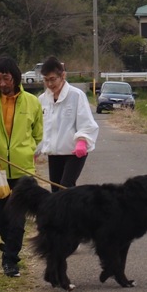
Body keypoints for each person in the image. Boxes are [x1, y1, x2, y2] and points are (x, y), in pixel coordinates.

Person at [0, 56, 44, 277]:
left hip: (23, 172)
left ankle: (10, 260)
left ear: (15, 77)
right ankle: (9, 244)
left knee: (16, 220)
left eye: (6, 78)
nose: (2, 83)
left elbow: (38, 134)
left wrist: (27, 150)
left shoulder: (32, 102)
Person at [37, 56, 99, 192]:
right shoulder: (42, 100)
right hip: (54, 152)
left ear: (63, 75)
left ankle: (71, 213)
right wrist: (36, 150)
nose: (50, 84)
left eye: (53, 79)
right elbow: (42, 128)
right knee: (55, 189)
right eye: (46, 80)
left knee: (66, 187)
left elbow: (86, 122)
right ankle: (61, 214)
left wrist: (82, 141)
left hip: (74, 152)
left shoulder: (76, 95)